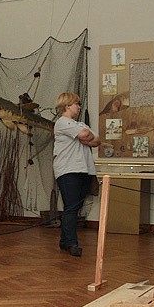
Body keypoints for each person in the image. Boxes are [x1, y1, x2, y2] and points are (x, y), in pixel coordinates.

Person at [53, 92, 100, 257]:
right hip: (68, 169)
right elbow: (85, 136)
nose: (79, 107)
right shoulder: (62, 123)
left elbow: (96, 140)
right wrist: (86, 136)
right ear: (67, 106)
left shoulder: (79, 124)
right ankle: (72, 243)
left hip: (84, 170)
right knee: (71, 207)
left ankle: (65, 241)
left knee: (75, 207)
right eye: (76, 104)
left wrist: (87, 137)